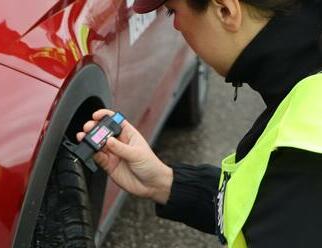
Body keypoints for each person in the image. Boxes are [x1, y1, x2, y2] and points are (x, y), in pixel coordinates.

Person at [77, 0, 322, 247]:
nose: (175, 25)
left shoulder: (302, 150)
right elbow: (263, 204)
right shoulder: (304, 88)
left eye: (174, 11)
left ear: (225, 10)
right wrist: (165, 181)